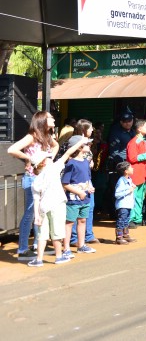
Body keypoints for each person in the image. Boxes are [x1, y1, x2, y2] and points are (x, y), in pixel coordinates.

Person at [28, 137, 91, 267]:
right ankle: (59, 256)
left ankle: (39, 259)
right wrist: (81, 142)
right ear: (43, 163)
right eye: (49, 158)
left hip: (42, 209)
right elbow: (68, 153)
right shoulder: (54, 169)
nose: (51, 158)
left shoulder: (35, 181)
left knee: (42, 235)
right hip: (58, 205)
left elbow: (36, 199)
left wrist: (37, 216)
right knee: (57, 233)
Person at [7, 110, 59, 261]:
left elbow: (56, 146)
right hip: (32, 178)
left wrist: (50, 158)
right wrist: (29, 158)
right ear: (42, 120)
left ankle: (37, 244)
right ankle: (23, 248)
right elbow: (12, 149)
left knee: (40, 212)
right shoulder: (32, 136)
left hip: (43, 179)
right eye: (50, 117)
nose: (54, 119)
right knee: (30, 213)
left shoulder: (47, 137)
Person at [61, 134, 96, 258]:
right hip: (73, 199)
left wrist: (89, 188)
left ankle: (81, 246)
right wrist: (79, 192)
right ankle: (66, 248)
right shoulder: (71, 163)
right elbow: (65, 183)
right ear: (79, 147)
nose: (89, 145)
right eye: (86, 144)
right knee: (69, 222)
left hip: (85, 197)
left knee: (82, 220)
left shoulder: (86, 162)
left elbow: (87, 179)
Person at [113, 161, 137, 245]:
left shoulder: (129, 179)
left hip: (128, 204)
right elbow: (117, 194)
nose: (132, 168)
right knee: (121, 220)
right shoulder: (121, 181)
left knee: (126, 220)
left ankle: (125, 235)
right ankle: (119, 237)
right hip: (122, 205)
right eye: (130, 167)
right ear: (126, 171)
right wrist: (129, 190)